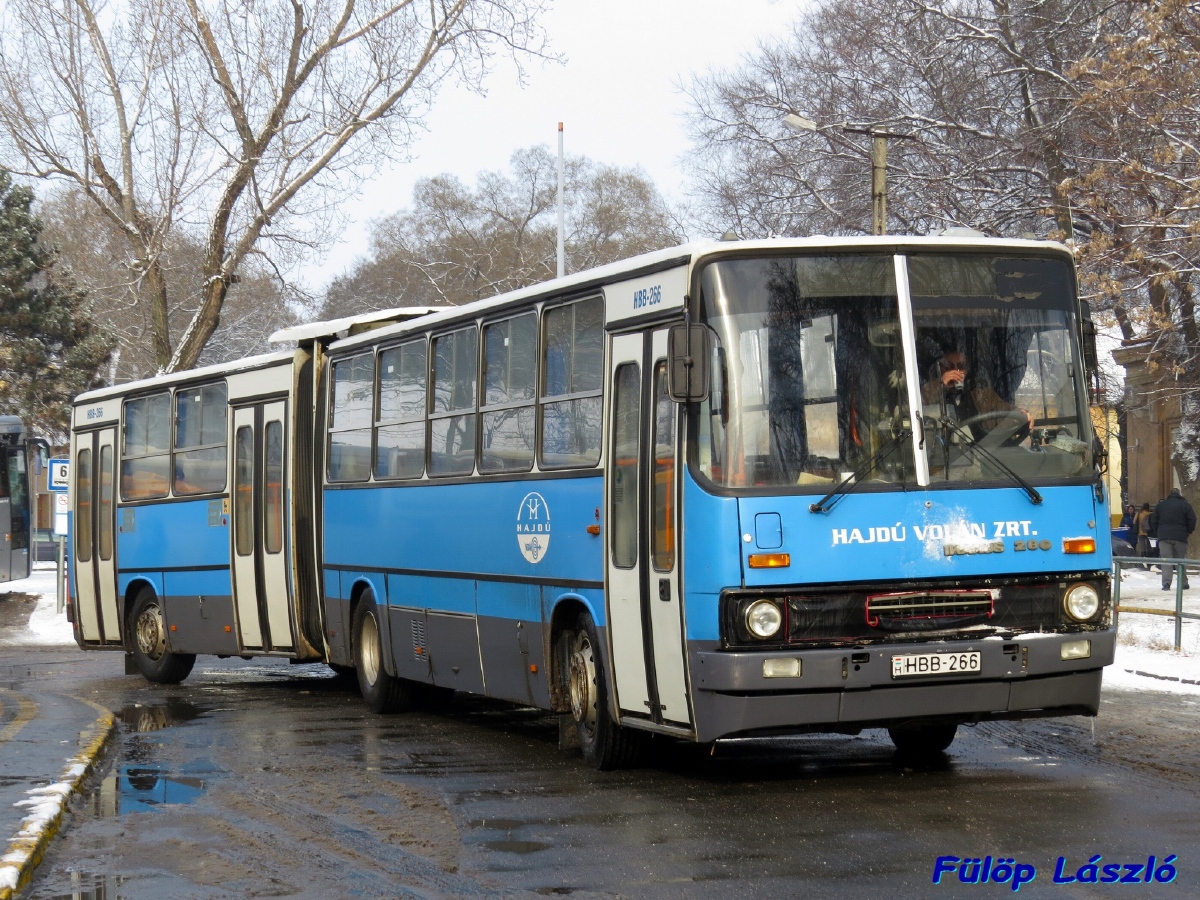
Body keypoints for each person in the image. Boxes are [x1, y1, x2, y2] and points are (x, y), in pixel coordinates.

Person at [920, 348, 1032, 437]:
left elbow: (1003, 408)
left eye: (961, 366)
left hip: (981, 454)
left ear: (967, 369)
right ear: (942, 370)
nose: (955, 371)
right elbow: (918, 406)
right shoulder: (930, 390)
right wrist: (940, 385)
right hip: (947, 458)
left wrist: (1021, 413)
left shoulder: (980, 393)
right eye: (949, 367)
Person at [1150, 488, 1196, 591]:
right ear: (1179, 494)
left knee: (1166, 561)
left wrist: (1158, 531)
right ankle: (1183, 583)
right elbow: (1192, 519)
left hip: (1164, 537)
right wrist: (1188, 531)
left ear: (1169, 494)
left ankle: (1166, 583)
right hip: (1180, 537)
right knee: (1180, 560)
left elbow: (1153, 519)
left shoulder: (1161, 505)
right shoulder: (1185, 505)